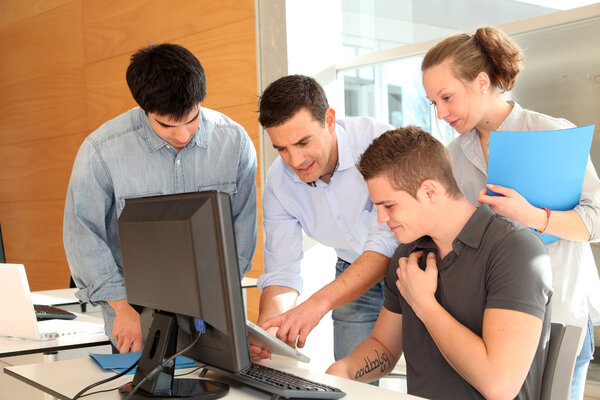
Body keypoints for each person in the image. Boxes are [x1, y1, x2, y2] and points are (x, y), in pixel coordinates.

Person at [421, 26, 600, 399]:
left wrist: (533, 216)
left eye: (447, 98)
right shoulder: (451, 159)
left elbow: (595, 221)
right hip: (493, 324)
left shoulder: (551, 133)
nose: (440, 113)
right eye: (433, 103)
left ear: (482, 81)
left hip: (561, 320)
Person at [327, 126, 552, 399]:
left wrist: (425, 304)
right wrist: (346, 370)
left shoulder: (515, 250)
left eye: (389, 206)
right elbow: (384, 347)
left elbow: (499, 386)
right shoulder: (407, 256)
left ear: (429, 191)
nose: (381, 219)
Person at [63, 43, 257, 353]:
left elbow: (242, 229)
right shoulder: (101, 150)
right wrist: (121, 306)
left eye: (192, 119)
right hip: (133, 308)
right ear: (144, 108)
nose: (182, 135)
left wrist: (221, 296)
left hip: (213, 304)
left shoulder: (234, 142)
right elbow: (82, 233)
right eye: (166, 124)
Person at [254, 75, 398, 364]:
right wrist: (267, 330)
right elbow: (282, 272)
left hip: (412, 264)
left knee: (429, 376)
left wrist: (317, 304)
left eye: (303, 142)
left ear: (329, 120)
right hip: (351, 270)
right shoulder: (279, 183)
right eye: (281, 149)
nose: (295, 161)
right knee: (351, 376)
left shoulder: (377, 141)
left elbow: (384, 244)